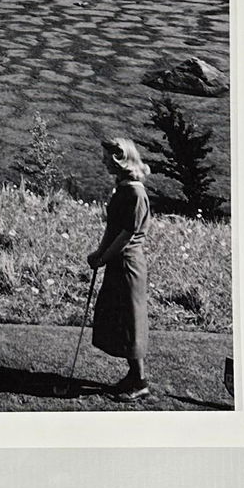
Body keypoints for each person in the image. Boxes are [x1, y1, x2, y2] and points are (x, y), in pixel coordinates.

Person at [85, 136, 152, 400]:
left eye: (106, 158)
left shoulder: (135, 193)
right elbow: (112, 228)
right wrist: (99, 252)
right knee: (121, 320)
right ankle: (134, 376)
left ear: (119, 159)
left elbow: (127, 235)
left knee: (130, 322)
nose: (103, 162)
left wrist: (104, 258)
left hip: (128, 265)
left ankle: (140, 381)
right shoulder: (123, 188)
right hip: (118, 262)